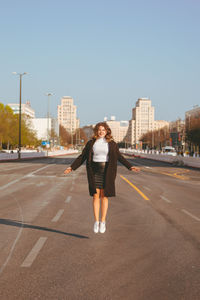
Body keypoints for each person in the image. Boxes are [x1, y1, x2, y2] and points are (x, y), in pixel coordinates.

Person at [64, 122, 140, 234]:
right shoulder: (91, 143)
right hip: (94, 171)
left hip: (107, 172)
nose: (101, 132)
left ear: (107, 131)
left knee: (105, 196)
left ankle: (103, 221)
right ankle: (96, 221)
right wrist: (72, 167)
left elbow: (119, 157)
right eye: (99, 130)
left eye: (103, 130)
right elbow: (82, 157)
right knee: (95, 196)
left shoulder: (112, 144)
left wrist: (130, 166)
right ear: (96, 131)